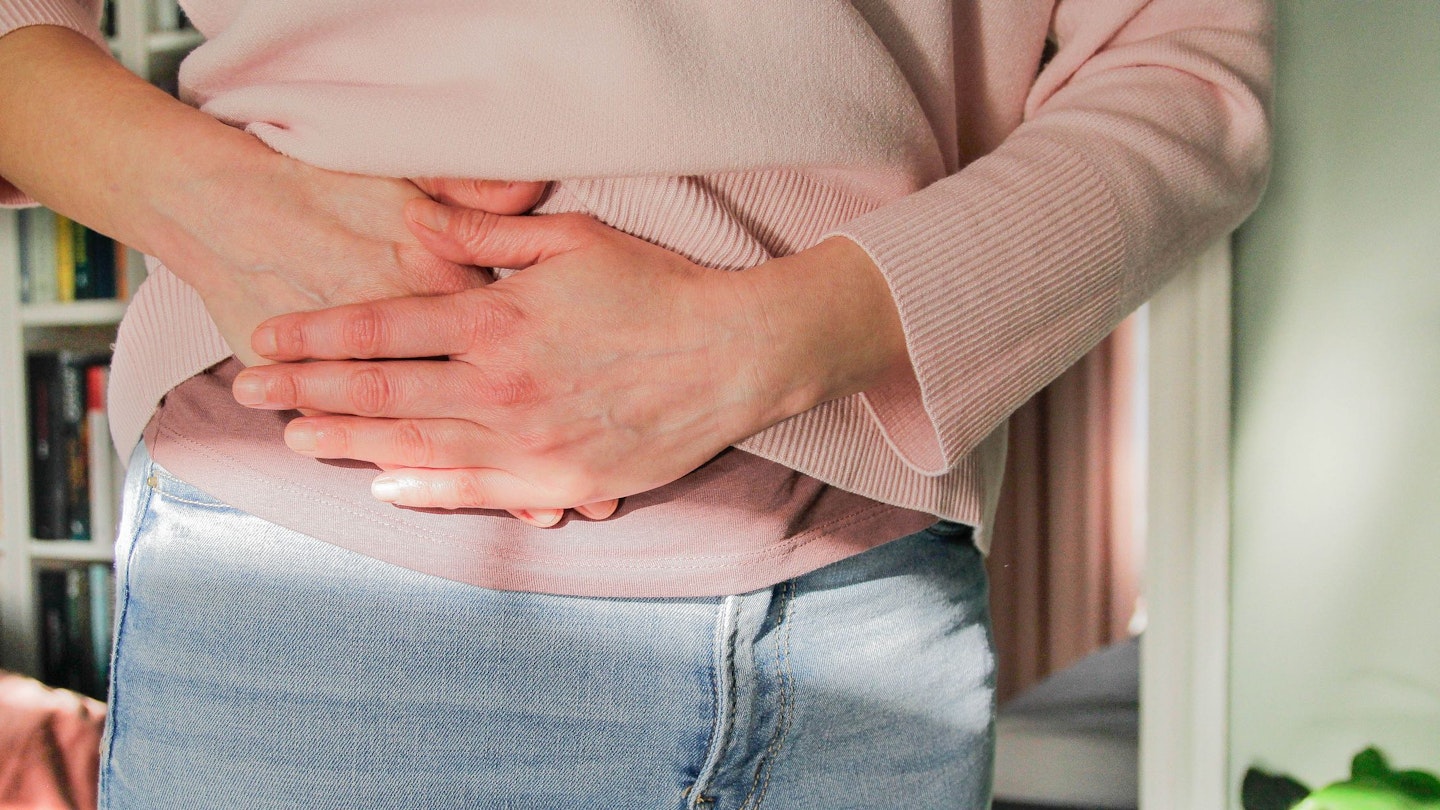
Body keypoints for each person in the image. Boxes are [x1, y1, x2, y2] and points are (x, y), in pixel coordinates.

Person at [0, 2, 1272, 807]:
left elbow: (1200, 66)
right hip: (336, 582)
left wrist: (783, 338)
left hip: (865, 615)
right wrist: (220, 208)